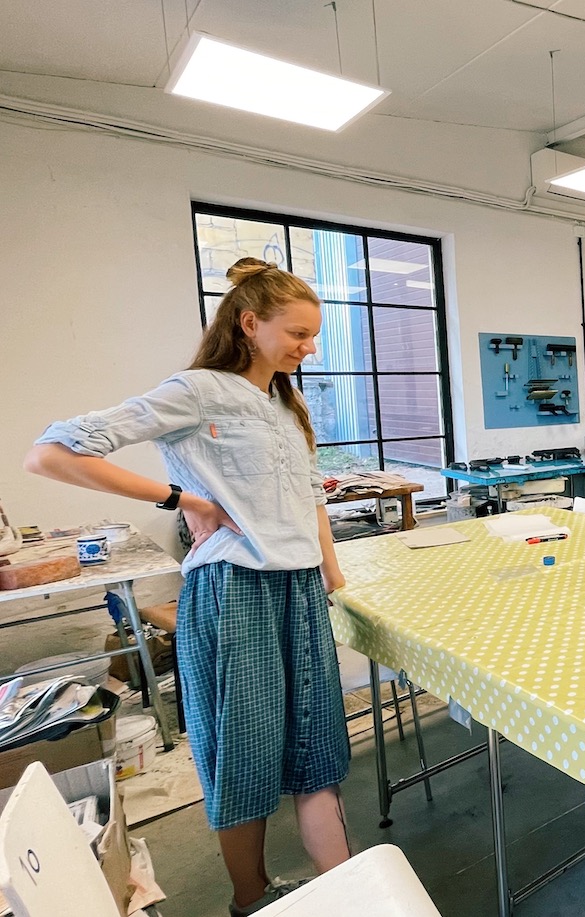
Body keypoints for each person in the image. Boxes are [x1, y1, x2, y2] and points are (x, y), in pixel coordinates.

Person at [24, 258, 351, 916]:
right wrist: (183, 498)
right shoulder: (198, 391)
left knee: (319, 750)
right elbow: (53, 450)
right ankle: (250, 899)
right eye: (297, 332)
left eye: (314, 335)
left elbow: (311, 490)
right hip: (236, 591)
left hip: (300, 591)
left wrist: (332, 572)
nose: (308, 348)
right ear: (249, 323)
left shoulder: (286, 400)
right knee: (243, 752)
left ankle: (349, 892)